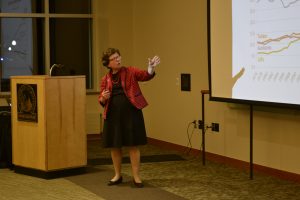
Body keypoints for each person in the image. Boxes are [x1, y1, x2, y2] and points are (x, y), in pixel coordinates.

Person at [98, 48, 160, 188]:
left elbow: (145, 75)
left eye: (118, 56)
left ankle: (136, 176)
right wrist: (103, 97)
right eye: (114, 58)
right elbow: (101, 100)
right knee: (115, 146)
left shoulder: (130, 71)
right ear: (108, 63)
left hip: (131, 114)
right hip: (113, 116)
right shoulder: (105, 79)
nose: (118, 59)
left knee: (133, 145)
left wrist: (150, 68)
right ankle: (117, 175)